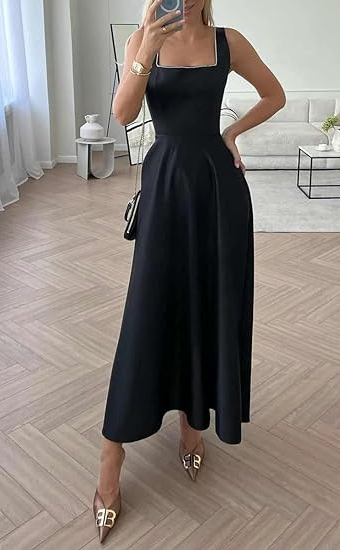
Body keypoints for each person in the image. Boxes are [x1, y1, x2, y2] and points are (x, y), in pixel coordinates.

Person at [93, 0, 286, 542]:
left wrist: (232, 133)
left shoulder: (229, 41)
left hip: (219, 191)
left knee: (207, 301)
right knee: (149, 308)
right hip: (165, 185)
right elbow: (123, 114)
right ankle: (112, 453)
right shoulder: (143, 39)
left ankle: (192, 421)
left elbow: (275, 95)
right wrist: (147, 47)